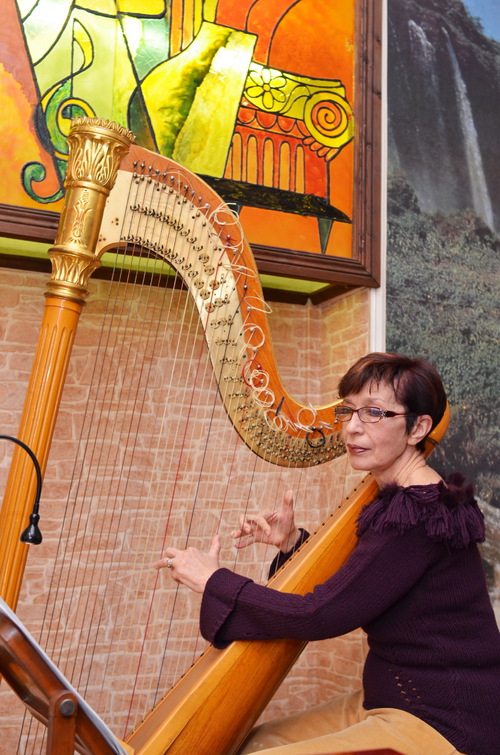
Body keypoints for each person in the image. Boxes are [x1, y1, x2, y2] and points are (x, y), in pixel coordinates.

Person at [155, 353, 500, 755]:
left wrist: (215, 581)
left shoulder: (417, 516)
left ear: (418, 428)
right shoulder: (405, 500)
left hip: (444, 720)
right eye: (348, 411)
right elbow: (365, 582)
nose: (351, 427)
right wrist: (292, 543)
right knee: (252, 742)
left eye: (374, 412)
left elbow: (319, 614)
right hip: (391, 698)